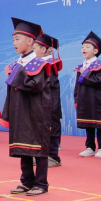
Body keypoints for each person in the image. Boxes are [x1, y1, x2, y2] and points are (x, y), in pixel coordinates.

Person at [2, 18, 52, 197]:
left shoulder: (41, 64)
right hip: (19, 111)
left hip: (36, 112)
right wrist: (8, 114)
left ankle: (41, 183)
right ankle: (27, 181)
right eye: (13, 39)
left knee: (38, 148)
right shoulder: (16, 65)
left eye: (17, 39)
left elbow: (35, 85)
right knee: (23, 146)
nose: (14, 43)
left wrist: (18, 71)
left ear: (30, 41)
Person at [75, 32, 101, 158]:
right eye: (83, 47)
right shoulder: (81, 66)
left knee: (99, 124)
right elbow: (77, 85)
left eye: (87, 47)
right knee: (88, 124)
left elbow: (98, 81)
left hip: (97, 99)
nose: (84, 49)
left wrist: (85, 73)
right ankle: (90, 147)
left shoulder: (99, 65)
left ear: (95, 51)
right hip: (84, 98)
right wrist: (76, 98)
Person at [33, 33, 63, 168]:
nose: (32, 51)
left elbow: (46, 84)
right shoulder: (37, 63)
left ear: (44, 49)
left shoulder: (50, 64)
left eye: (34, 48)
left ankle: (54, 157)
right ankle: (42, 155)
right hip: (40, 103)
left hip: (51, 103)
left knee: (52, 129)